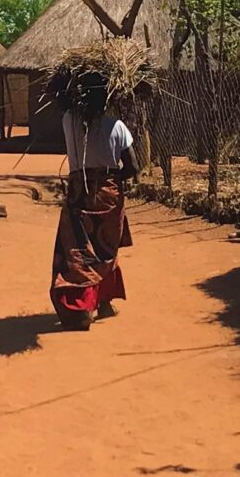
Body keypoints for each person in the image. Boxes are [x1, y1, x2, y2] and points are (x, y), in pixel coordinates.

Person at [50, 65, 135, 330]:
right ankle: (104, 303)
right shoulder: (117, 126)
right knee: (105, 248)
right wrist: (112, 181)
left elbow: (58, 95)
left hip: (79, 193)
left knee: (76, 251)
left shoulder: (69, 121)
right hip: (109, 194)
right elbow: (133, 166)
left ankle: (82, 308)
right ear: (108, 96)